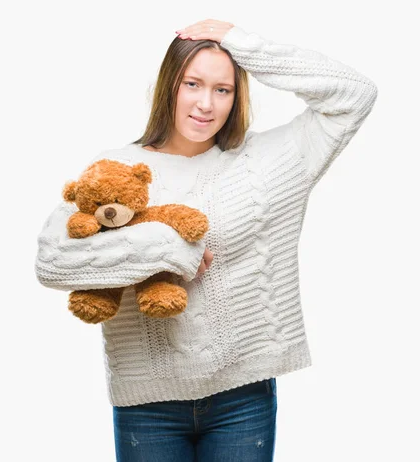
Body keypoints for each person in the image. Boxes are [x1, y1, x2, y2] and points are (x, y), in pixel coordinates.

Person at [35, 18, 378, 462]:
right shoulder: (116, 168)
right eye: (192, 83)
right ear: (169, 86)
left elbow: (355, 94)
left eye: (223, 89)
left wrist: (241, 43)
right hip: (147, 404)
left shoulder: (274, 161)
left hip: (243, 398)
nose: (205, 103)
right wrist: (173, 250)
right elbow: (53, 260)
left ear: (238, 97)